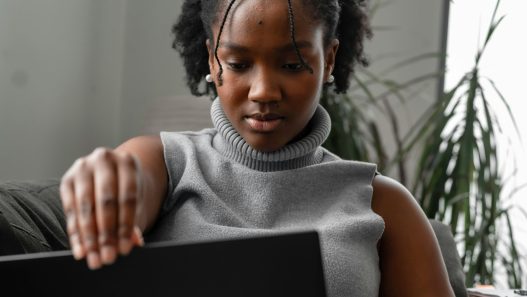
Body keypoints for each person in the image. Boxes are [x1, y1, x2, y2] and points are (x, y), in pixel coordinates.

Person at [1, 0, 455, 296]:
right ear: (212, 60)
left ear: (329, 60)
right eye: (238, 63)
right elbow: (128, 182)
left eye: (293, 64)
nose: (263, 90)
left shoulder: (384, 205)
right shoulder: (166, 162)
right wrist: (107, 177)